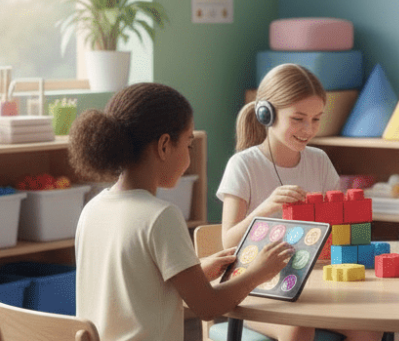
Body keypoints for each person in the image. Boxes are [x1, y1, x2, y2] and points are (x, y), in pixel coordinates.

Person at [70, 83, 293, 341]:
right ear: (164, 145)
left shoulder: (92, 209)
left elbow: (133, 289)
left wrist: (196, 273)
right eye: (189, 144)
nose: (189, 157)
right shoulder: (160, 216)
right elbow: (208, 307)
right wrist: (259, 272)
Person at [217, 63, 381, 341]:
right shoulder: (243, 165)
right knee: (298, 329)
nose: (308, 129)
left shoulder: (319, 160)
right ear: (267, 114)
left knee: (368, 328)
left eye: (316, 119)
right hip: (256, 288)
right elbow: (228, 242)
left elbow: (337, 228)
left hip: (310, 284)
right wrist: (265, 209)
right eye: (298, 119)